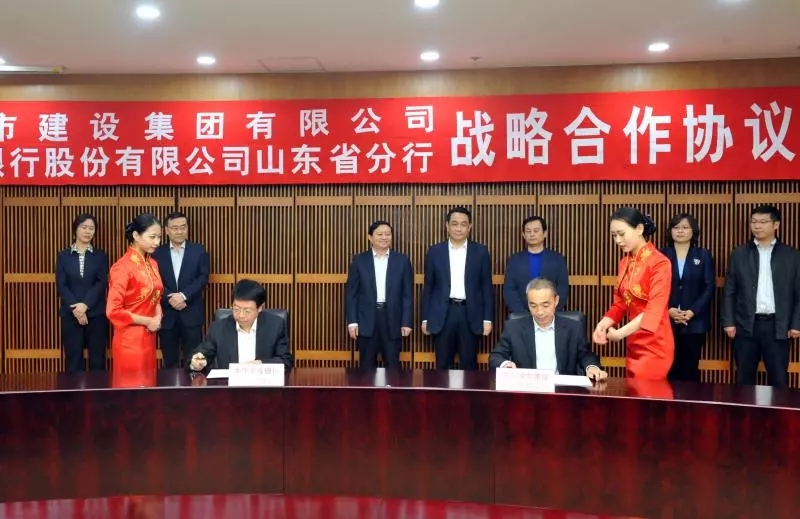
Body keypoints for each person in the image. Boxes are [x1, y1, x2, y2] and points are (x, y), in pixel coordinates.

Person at [721, 205, 800, 388]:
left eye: (763, 222)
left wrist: (796, 323)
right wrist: (729, 322)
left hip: (777, 325)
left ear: (776, 225)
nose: (757, 226)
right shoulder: (739, 254)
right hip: (746, 324)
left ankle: (778, 408)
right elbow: (730, 290)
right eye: (754, 222)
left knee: (779, 378)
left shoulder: (792, 255)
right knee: (743, 377)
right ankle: (743, 408)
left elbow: (798, 292)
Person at [592, 208, 674, 380]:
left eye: (622, 234)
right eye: (614, 235)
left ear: (639, 229)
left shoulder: (660, 263)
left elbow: (654, 309)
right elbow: (621, 302)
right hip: (633, 341)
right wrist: (604, 323)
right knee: (634, 391)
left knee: (645, 391)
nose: (618, 240)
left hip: (655, 343)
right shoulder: (625, 262)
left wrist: (620, 333)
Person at [489, 278, 607, 380]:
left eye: (545, 305)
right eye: (533, 305)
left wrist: (591, 367)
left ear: (556, 301)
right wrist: (505, 364)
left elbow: (586, 355)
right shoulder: (514, 328)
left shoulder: (573, 327)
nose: (539, 312)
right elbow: (495, 357)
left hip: (562, 390)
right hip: (527, 389)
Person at [421, 207, 493, 370]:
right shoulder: (435, 251)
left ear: (470, 226)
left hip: (470, 313)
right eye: (454, 224)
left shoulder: (480, 252)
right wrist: (425, 318)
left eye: (463, 224)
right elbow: (429, 288)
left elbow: (486, 288)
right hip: (443, 314)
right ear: (447, 226)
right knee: (442, 364)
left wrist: (487, 319)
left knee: (469, 364)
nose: (459, 228)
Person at [345, 220, 413, 369]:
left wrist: (406, 321)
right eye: (380, 234)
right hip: (366, 320)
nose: (384, 237)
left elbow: (407, 294)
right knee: (366, 368)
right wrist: (352, 322)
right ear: (370, 237)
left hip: (393, 319)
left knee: (393, 367)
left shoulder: (402, 261)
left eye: (388, 234)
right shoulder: (359, 260)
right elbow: (351, 294)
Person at [189, 279, 293, 373]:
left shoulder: (275, 325)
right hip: (229, 385)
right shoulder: (219, 328)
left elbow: (286, 361)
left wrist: (260, 364)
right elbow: (201, 353)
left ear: (260, 308)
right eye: (236, 309)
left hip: (263, 385)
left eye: (247, 311)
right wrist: (197, 362)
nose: (241, 315)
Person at [106, 213, 164, 376]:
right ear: (136, 235)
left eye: (159, 237)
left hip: (149, 336)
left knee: (149, 382)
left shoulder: (153, 263)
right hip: (129, 340)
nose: (157, 242)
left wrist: (158, 317)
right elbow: (113, 311)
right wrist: (149, 321)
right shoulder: (122, 267)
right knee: (131, 385)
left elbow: (156, 296)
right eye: (152, 237)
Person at [661, 213, 715, 382]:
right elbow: (654, 288)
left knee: (690, 369)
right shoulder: (660, 255)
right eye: (676, 227)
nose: (680, 231)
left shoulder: (703, 255)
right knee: (667, 368)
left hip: (695, 322)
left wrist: (692, 311)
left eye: (685, 227)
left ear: (693, 231)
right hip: (666, 321)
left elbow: (709, 287)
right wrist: (668, 310)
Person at [152, 211, 210, 369]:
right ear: (166, 230)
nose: (179, 231)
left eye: (183, 227)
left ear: (187, 228)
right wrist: (171, 298)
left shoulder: (198, 250)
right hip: (167, 314)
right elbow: (153, 280)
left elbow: (203, 277)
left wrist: (183, 296)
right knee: (169, 361)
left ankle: (194, 385)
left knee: (194, 361)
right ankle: (170, 386)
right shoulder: (156, 252)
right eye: (175, 228)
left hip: (191, 313)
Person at [55, 213, 109, 372]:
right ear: (75, 230)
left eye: (91, 228)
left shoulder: (100, 256)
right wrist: (76, 309)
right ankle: (74, 390)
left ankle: (98, 389)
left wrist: (85, 305)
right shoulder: (63, 256)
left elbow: (101, 283)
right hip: (71, 314)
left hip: (96, 314)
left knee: (97, 361)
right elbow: (61, 284)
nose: (88, 231)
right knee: (73, 360)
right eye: (84, 227)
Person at [503, 216, 569, 313]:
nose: (532, 234)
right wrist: (521, 313)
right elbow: (509, 290)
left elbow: (563, 288)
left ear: (545, 233)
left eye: (536, 231)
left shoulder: (557, 259)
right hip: (521, 315)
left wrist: (550, 311)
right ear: (523, 235)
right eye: (528, 231)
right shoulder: (514, 260)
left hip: (550, 315)